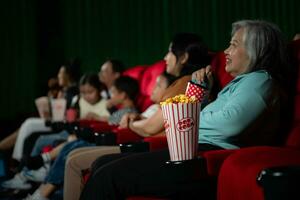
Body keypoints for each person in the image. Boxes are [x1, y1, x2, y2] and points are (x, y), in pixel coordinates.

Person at [79, 20, 288, 200]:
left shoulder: (259, 81)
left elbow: (229, 125)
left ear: (256, 50)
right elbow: (200, 118)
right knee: (101, 164)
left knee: (107, 177)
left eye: (233, 45)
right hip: (192, 151)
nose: (226, 51)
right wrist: (202, 96)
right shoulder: (237, 84)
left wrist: (192, 115)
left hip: (207, 161)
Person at [23, 76, 140, 200]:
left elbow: (113, 126)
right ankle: (43, 185)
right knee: (71, 145)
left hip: (109, 143)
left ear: (123, 95)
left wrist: (102, 116)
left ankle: (43, 191)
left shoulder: (129, 112)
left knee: (73, 149)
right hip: (105, 139)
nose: (111, 96)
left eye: (114, 92)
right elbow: (111, 122)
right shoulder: (122, 110)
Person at [63, 71, 175, 200]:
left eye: (158, 86)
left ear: (170, 91)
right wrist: (134, 120)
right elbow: (138, 121)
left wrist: (132, 122)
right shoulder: (152, 108)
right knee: (73, 153)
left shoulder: (163, 108)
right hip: (129, 140)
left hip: (133, 144)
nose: (153, 89)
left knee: (75, 161)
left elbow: (148, 128)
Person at [0, 59, 81, 161]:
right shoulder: (62, 91)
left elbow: (68, 113)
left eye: (61, 73)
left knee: (28, 124)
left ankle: (17, 159)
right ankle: (11, 155)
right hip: (53, 121)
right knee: (25, 126)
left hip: (60, 125)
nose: (58, 75)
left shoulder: (73, 92)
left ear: (68, 75)